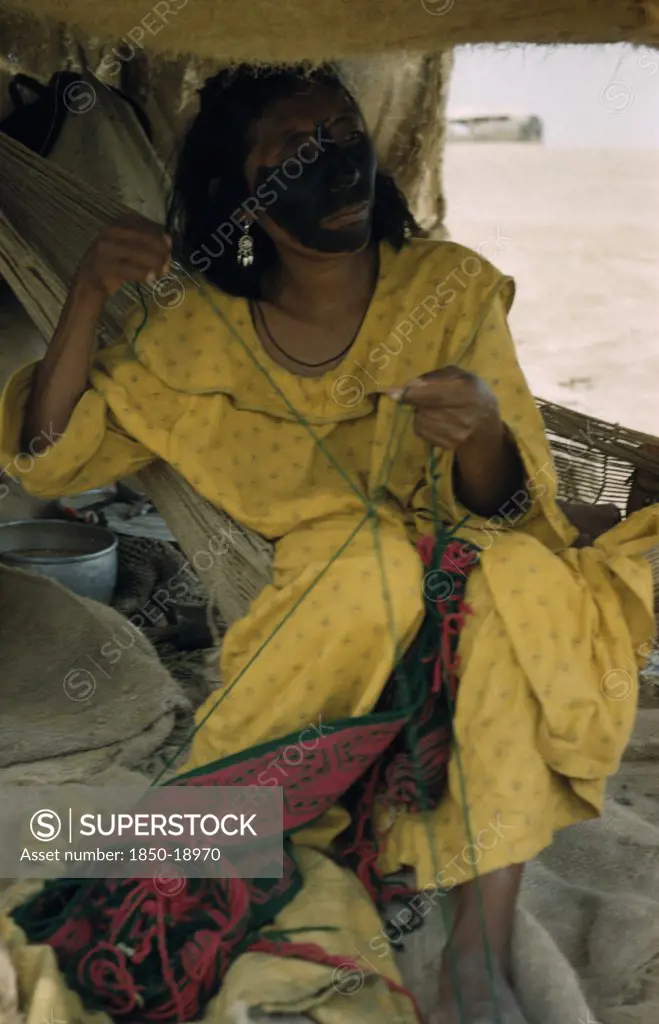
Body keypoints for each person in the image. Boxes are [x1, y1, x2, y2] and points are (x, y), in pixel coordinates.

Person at [1, 63, 657, 1024]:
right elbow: (49, 463)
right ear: (239, 193)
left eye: (344, 134)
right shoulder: (193, 334)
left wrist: (480, 433)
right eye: (295, 149)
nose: (336, 161)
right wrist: (88, 297)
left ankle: (479, 940)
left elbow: (520, 515)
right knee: (376, 568)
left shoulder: (446, 289)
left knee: (509, 579)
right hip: (324, 591)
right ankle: (245, 824)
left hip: (479, 565)